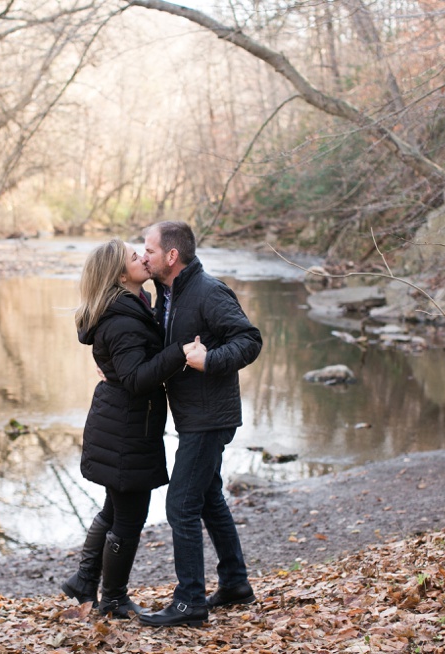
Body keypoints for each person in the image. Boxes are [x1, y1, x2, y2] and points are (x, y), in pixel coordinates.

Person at [62, 238, 204, 618]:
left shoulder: (132, 305)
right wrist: (179, 353)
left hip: (121, 421)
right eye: (134, 256)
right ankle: (112, 598)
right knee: (129, 516)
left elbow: (129, 365)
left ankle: (83, 581)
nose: (143, 256)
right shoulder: (122, 319)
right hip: (125, 427)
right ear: (119, 273)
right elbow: (135, 377)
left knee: (114, 508)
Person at [137, 221, 263, 628]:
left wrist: (210, 361)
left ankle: (190, 602)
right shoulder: (169, 293)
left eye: (150, 250)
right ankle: (236, 584)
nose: (144, 256)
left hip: (210, 417)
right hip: (193, 415)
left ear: (172, 256)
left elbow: (248, 339)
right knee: (209, 499)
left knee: (181, 504)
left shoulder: (209, 291)